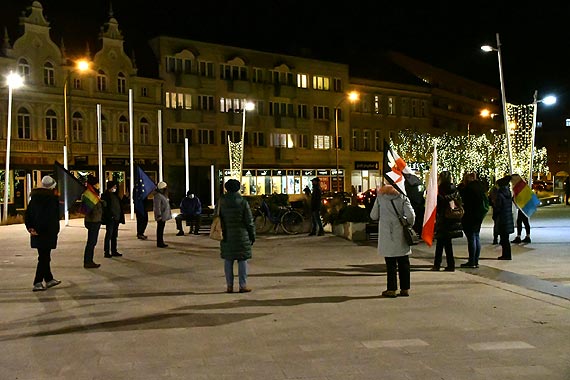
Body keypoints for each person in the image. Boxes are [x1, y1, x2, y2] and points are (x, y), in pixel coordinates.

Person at [369, 182, 415, 298]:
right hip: (400, 234)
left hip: (387, 235)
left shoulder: (380, 198)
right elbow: (411, 216)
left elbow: (373, 216)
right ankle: (405, 288)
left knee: (391, 264)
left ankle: (391, 289)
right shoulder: (403, 197)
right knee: (404, 262)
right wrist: (407, 223)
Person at [25, 175, 61, 292]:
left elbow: (28, 215)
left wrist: (31, 228)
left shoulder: (34, 198)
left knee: (44, 256)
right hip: (47, 232)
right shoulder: (51, 200)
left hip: (36, 232)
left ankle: (49, 279)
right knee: (44, 258)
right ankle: (38, 281)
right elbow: (50, 217)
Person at [218, 179, 255, 293]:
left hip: (226, 234)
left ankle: (229, 286)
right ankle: (242, 285)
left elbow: (217, 216)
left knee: (228, 260)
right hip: (241, 234)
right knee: (242, 260)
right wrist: (252, 235)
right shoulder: (243, 202)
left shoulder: (221, 201)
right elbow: (249, 221)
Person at [432, 171, 463, 272]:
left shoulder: (440, 189)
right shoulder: (454, 189)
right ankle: (450, 264)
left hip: (443, 218)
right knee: (446, 243)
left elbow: (440, 202)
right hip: (451, 218)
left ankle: (438, 264)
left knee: (441, 242)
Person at [459, 173, 489, 268]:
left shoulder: (468, 189)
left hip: (470, 216)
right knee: (476, 236)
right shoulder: (481, 187)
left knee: (471, 238)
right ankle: (475, 260)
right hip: (479, 216)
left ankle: (472, 260)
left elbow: (464, 202)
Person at [82, 175, 104, 269]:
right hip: (93, 222)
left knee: (92, 242)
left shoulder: (93, 193)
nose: (98, 185)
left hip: (95, 220)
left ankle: (89, 260)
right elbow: (86, 209)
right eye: (96, 183)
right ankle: (88, 261)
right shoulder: (88, 194)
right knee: (91, 242)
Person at [101, 181, 125, 258]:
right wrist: (110, 216)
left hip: (116, 218)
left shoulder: (115, 195)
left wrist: (125, 197)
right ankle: (106, 251)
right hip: (110, 219)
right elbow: (105, 208)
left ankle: (114, 250)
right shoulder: (105, 196)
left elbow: (120, 204)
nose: (115, 188)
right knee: (109, 234)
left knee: (114, 235)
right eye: (114, 187)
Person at [495, 175, 514, 260]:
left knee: (504, 238)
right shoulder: (508, 193)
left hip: (502, 218)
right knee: (506, 238)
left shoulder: (500, 194)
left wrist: (495, 215)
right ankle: (507, 254)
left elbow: (498, 206)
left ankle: (506, 255)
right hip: (508, 217)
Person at [153, 181, 172, 248]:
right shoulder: (158, 196)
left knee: (161, 229)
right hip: (161, 216)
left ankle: (161, 241)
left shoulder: (162, 195)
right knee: (160, 229)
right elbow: (157, 207)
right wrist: (159, 215)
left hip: (163, 215)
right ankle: (160, 242)